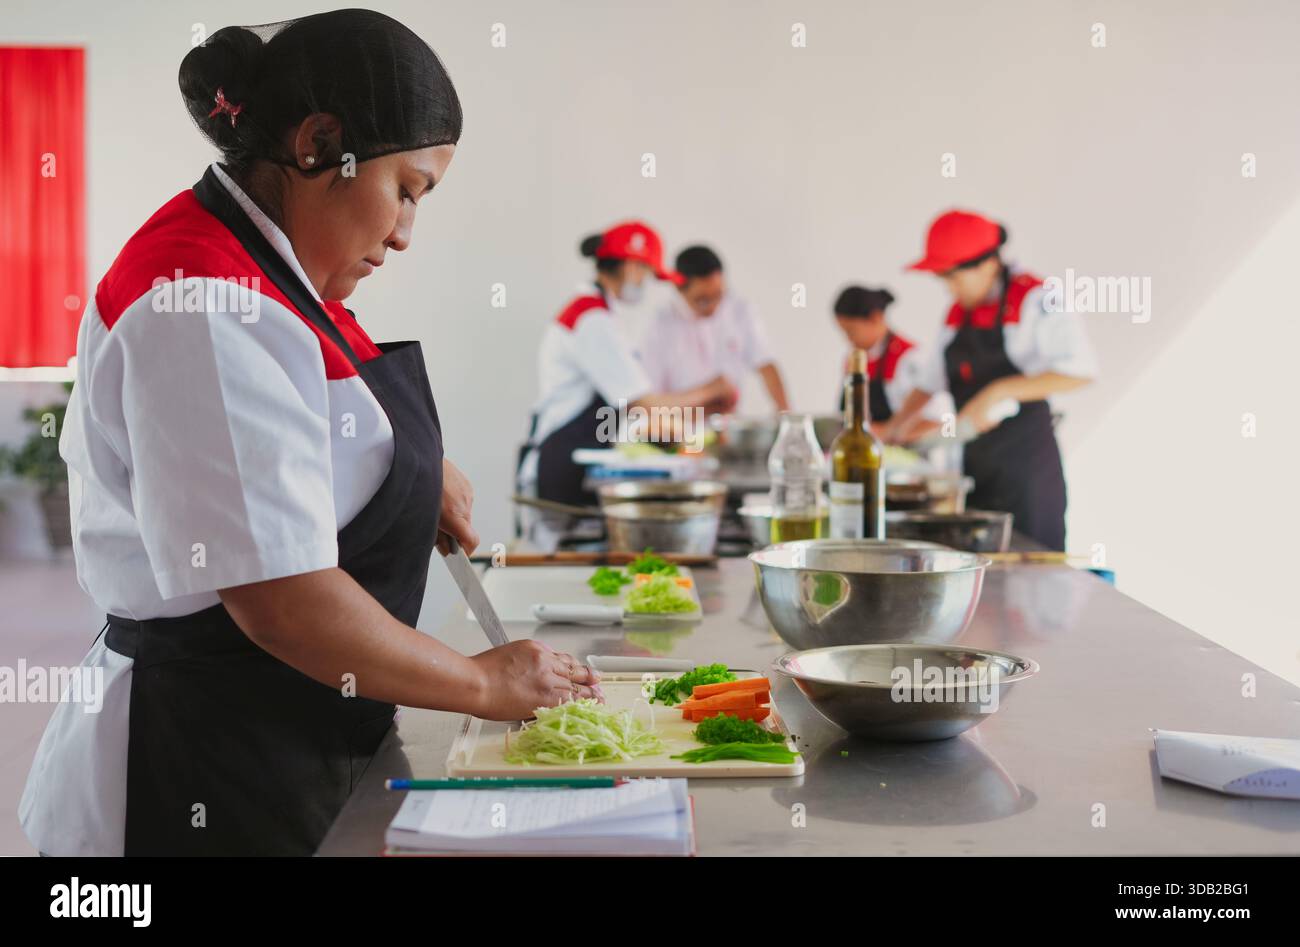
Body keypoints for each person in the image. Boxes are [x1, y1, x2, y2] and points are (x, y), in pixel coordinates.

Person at [19, 10, 600, 857]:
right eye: (406, 190)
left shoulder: (272, 270)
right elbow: (281, 602)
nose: (405, 233)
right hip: (203, 762)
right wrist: (480, 681)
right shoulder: (201, 298)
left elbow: (314, 421)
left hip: (293, 737)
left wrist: (412, 472)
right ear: (321, 144)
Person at [883, 210, 1098, 550]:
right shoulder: (958, 314)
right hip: (977, 470)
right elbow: (929, 382)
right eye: (943, 279)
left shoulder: (1038, 299)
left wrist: (997, 392)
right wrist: (896, 427)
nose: (949, 288)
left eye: (953, 277)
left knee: (1031, 569)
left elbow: (1080, 372)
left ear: (988, 264)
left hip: (1027, 474)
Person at [518, 224, 737, 510]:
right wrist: (712, 390)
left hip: (575, 461)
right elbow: (642, 404)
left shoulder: (602, 315)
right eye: (647, 272)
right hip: (561, 465)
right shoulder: (591, 319)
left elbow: (633, 410)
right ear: (632, 266)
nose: (645, 282)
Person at [639, 245, 789, 416]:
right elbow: (650, 402)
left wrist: (786, 417)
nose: (713, 307)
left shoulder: (739, 310)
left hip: (729, 425)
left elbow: (765, 364)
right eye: (702, 300)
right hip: (679, 426)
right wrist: (710, 392)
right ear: (679, 288)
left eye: (718, 296)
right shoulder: (659, 325)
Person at [831, 285, 937, 437]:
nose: (848, 339)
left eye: (851, 331)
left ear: (876, 318)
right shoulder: (854, 360)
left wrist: (884, 433)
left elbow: (935, 423)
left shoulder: (910, 357)